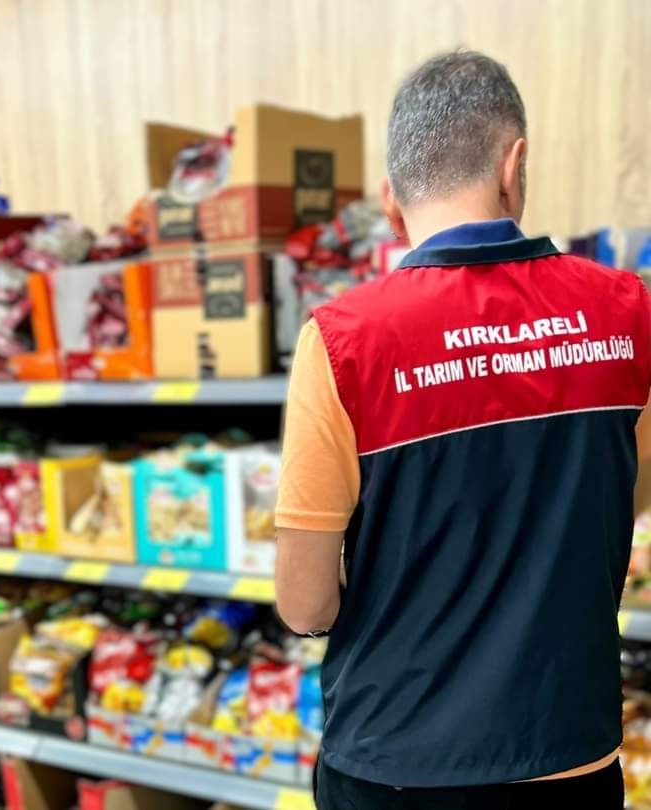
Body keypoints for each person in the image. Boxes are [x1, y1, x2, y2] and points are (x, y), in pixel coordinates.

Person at [275, 50, 650, 809]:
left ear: (389, 200)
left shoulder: (345, 340)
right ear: (515, 166)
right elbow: (629, 498)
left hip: (394, 762)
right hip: (567, 754)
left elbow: (305, 604)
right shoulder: (630, 315)